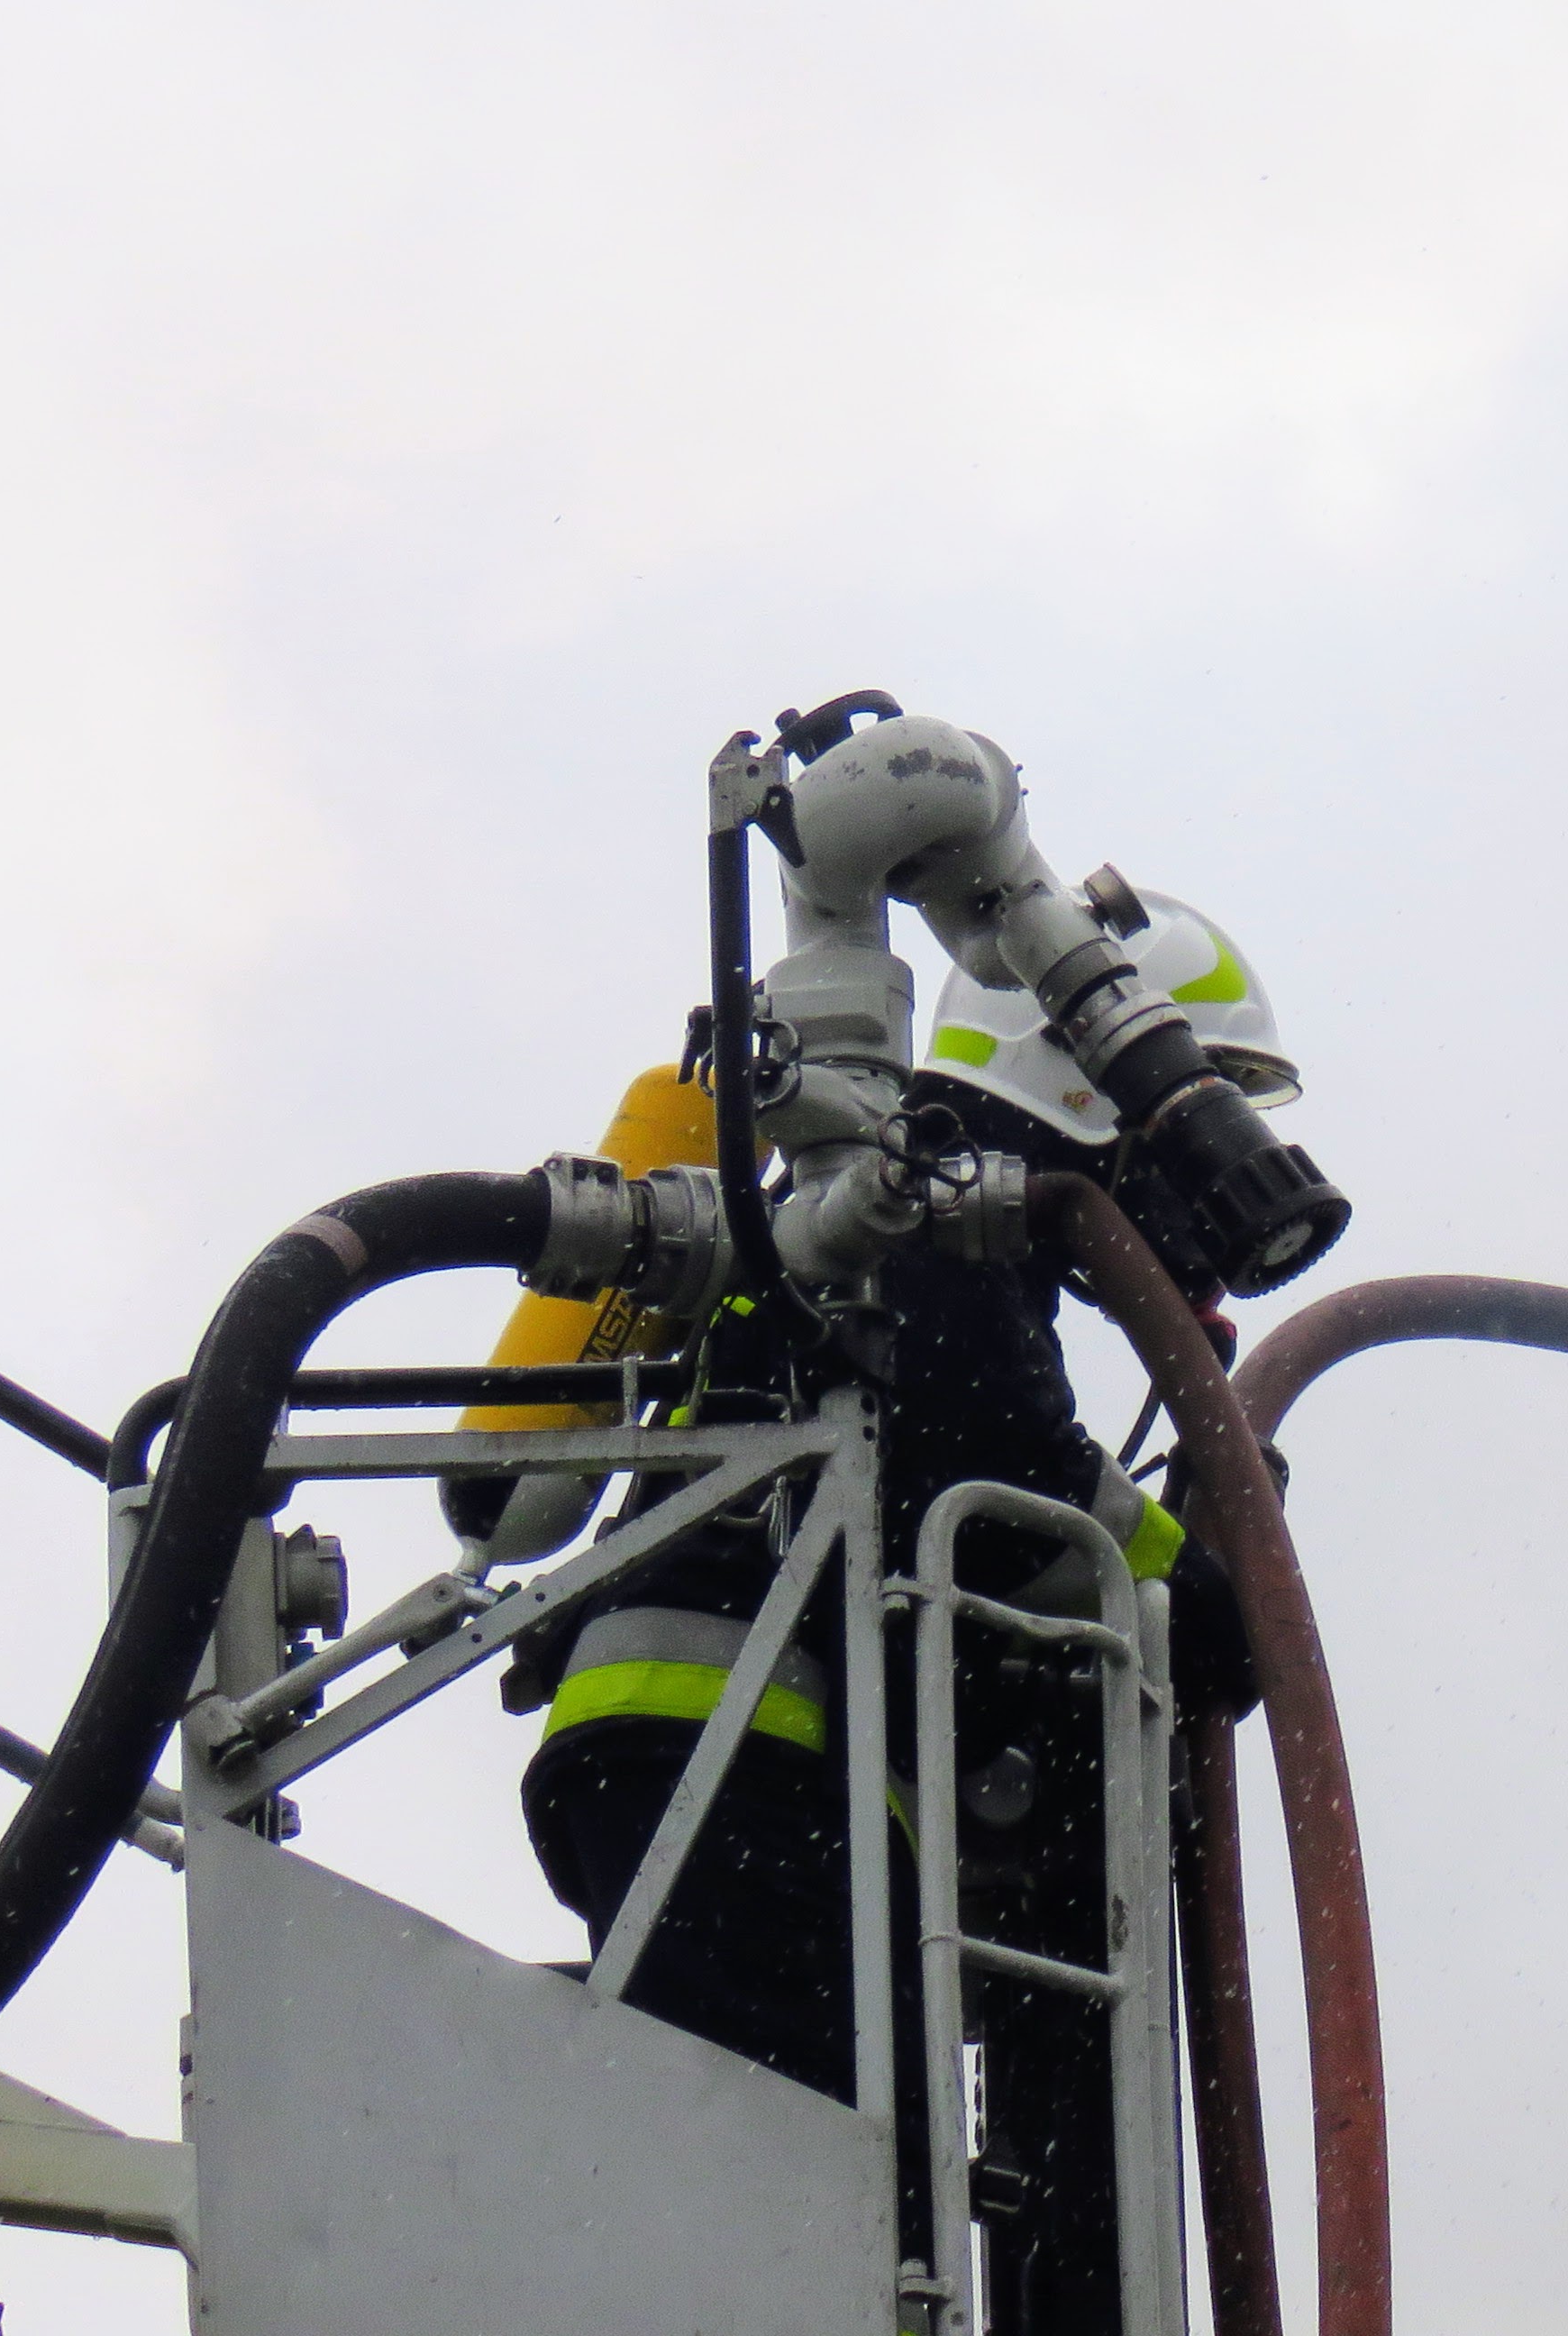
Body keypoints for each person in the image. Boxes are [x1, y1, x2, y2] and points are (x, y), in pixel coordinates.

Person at [501, 890, 1281, 2336]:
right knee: (853, 2225)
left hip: (703, 1740)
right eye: (1194, 1113)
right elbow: (1003, 1458)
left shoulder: (874, 1197)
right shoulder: (937, 1199)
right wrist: (1202, 1596)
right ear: (1091, 1083)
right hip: (749, 1749)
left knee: (778, 2168)